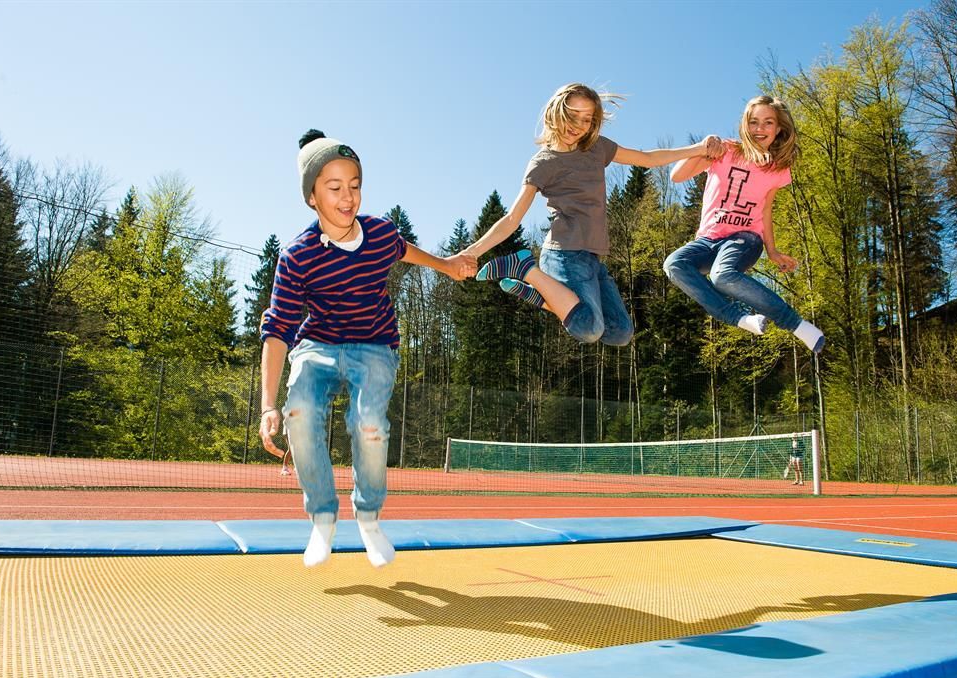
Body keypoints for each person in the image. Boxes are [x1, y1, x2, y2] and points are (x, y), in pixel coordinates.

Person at [259, 130, 474, 568]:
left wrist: (447, 265)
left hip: (375, 343)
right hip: (317, 345)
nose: (347, 197)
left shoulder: (379, 234)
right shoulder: (297, 257)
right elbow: (278, 329)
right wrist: (268, 404)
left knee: (369, 424)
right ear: (312, 198)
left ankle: (369, 519)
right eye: (334, 188)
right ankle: (322, 519)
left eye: (354, 186)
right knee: (299, 414)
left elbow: (405, 251)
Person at [461, 82, 720, 345]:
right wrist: (472, 252)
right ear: (555, 112)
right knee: (589, 329)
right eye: (572, 115)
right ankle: (525, 269)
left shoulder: (597, 148)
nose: (579, 124)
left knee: (620, 333)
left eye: (587, 119)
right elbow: (512, 218)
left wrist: (698, 149)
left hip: (593, 257)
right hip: (564, 254)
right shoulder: (542, 163)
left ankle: (542, 296)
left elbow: (647, 158)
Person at [663, 95, 825, 354]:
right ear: (744, 125)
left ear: (779, 129)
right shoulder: (725, 151)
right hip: (708, 240)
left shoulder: (777, 169)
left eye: (768, 123)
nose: (759, 129)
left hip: (745, 238)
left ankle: (796, 324)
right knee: (674, 264)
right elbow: (677, 176)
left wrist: (772, 251)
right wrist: (703, 147)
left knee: (722, 275)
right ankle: (740, 319)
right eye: (753, 122)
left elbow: (767, 209)